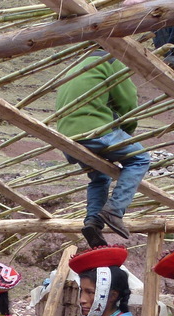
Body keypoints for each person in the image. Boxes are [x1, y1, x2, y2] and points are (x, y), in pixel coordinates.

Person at [55, 51, 150, 247]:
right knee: (140, 158)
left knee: (100, 176)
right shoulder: (111, 60)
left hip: (69, 137)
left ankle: (93, 221)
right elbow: (128, 102)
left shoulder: (75, 67)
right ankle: (114, 210)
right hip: (94, 130)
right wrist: (128, 133)